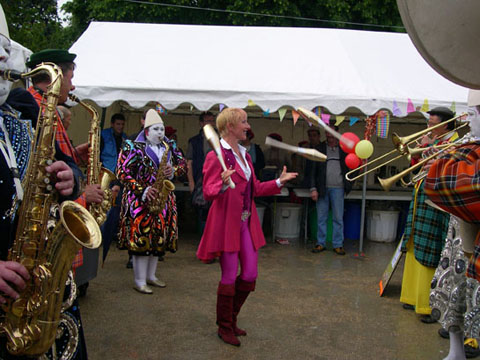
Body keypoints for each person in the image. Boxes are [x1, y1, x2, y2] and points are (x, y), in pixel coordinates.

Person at [0, 12, 86, 359]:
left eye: (5, 49)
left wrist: (70, 179)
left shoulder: (16, 123)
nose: (5, 58)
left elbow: (61, 168)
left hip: (35, 293)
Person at [196, 108, 297, 346]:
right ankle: (225, 327)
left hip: (246, 222)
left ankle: (231, 318)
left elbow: (255, 189)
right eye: (243, 122)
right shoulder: (216, 156)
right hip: (226, 224)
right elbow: (208, 192)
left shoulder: (246, 155)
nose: (247, 126)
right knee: (229, 276)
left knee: (250, 274)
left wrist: (278, 182)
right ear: (230, 127)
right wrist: (221, 184)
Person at [424, 91, 480, 359]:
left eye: (474, 114)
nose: (470, 121)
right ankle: (455, 349)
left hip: (471, 224)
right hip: (459, 230)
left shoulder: (465, 143)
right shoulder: (469, 142)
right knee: (453, 289)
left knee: (470, 292)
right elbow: (435, 183)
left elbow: (447, 184)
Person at [117, 109, 186, 294]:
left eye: (162, 129)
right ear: (146, 131)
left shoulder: (169, 145)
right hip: (141, 200)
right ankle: (139, 280)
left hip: (163, 199)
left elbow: (183, 165)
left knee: (158, 239)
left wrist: (174, 171)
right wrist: (143, 190)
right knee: (142, 239)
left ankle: (151, 276)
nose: (160, 133)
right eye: (156, 129)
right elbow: (122, 172)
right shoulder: (132, 146)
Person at [399, 106, 457, 324]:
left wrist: (433, 161)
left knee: (431, 250)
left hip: (436, 202)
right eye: (429, 124)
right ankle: (412, 296)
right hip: (421, 197)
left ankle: (428, 304)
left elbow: (450, 173)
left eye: (433, 124)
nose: (429, 128)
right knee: (415, 245)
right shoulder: (433, 142)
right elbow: (415, 167)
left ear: (446, 125)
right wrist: (421, 150)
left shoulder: (454, 142)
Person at [308, 125, 351, 255]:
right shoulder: (319, 148)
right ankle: (320, 243)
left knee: (338, 218)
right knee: (321, 217)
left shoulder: (344, 150)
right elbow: (312, 170)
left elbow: (351, 167)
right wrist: (313, 188)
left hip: (338, 188)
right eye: (328, 135)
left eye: (332, 135)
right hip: (322, 188)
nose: (330, 138)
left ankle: (338, 244)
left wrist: (349, 184)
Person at [100, 113, 127, 264]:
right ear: (112, 124)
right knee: (104, 209)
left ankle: (111, 236)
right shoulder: (103, 135)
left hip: (119, 178)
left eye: (122, 124)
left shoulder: (125, 138)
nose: (120, 127)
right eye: (118, 124)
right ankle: (102, 237)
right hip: (106, 176)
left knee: (116, 210)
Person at [186, 111, 215, 235]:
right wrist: (191, 182)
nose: (209, 124)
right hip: (200, 181)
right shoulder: (194, 141)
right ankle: (204, 239)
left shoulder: (220, 139)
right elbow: (189, 163)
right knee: (201, 212)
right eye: (207, 121)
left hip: (216, 180)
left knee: (215, 212)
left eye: (211, 121)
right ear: (201, 123)